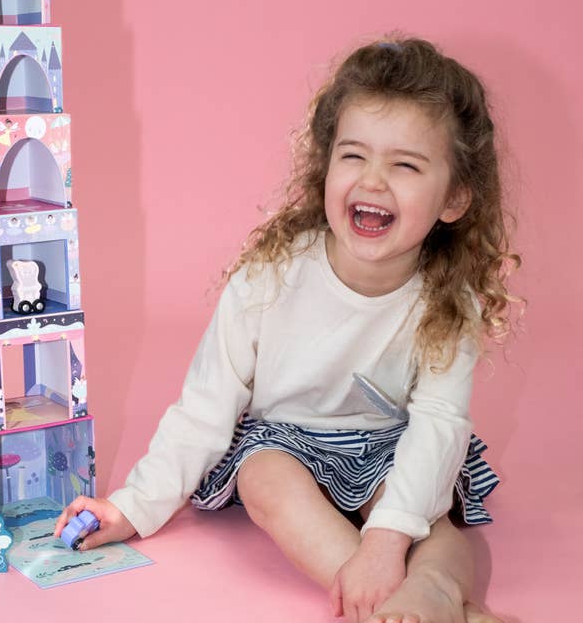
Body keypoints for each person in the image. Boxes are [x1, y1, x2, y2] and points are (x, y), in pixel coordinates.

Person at [55, 37, 521, 623]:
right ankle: (376, 598)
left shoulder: (448, 303)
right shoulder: (270, 278)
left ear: (453, 198)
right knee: (265, 478)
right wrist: (133, 507)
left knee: (426, 514)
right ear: (326, 167)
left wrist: (390, 534)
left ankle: (433, 590)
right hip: (283, 443)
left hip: (391, 447)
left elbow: (436, 428)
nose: (373, 181)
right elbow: (206, 407)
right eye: (354, 156)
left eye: (404, 165)